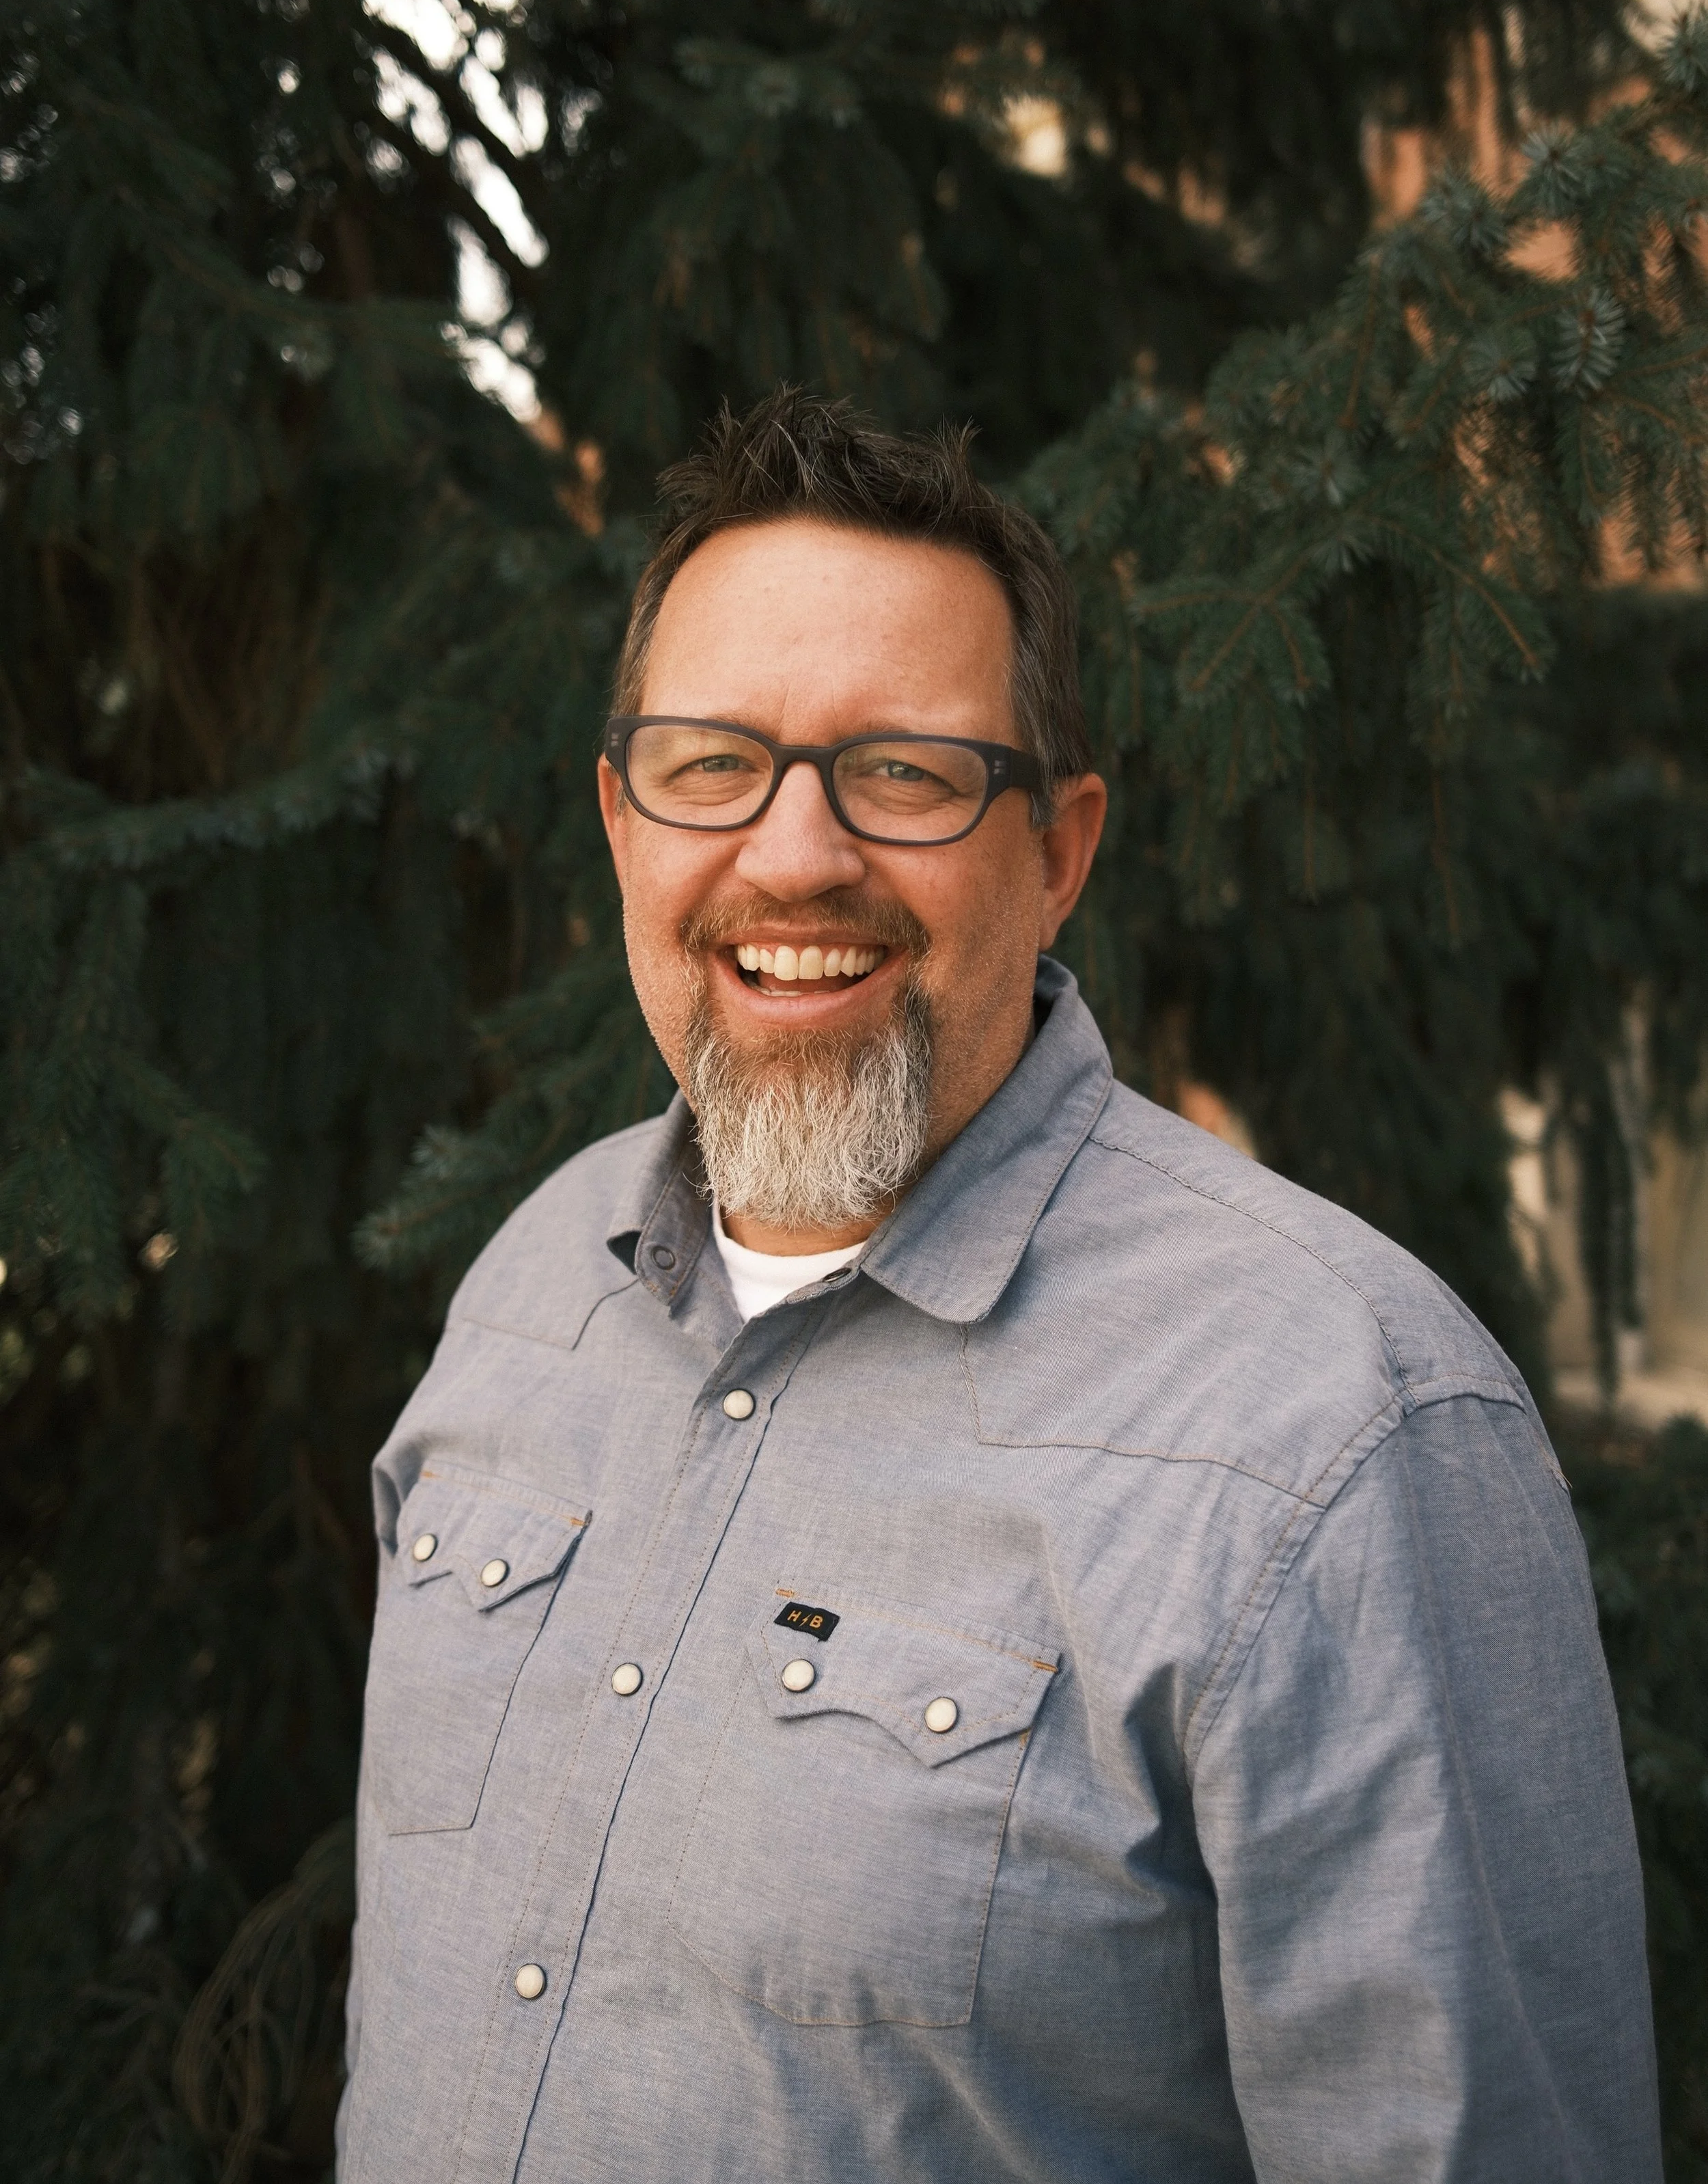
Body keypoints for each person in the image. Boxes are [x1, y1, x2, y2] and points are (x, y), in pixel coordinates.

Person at [338, 390, 1660, 2184]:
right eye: (710, 761)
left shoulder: (1336, 1428)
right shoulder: (528, 1294)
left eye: (902, 770)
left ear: (1057, 849)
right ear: (620, 821)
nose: (791, 855)